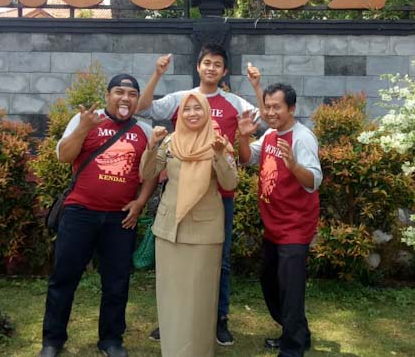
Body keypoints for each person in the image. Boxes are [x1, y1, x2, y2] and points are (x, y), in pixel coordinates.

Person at [137, 43, 262, 345]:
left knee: (218, 263)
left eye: (217, 64)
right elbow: (144, 108)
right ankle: (173, 321)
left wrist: (257, 87)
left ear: (224, 71)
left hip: (217, 194)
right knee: (174, 265)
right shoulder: (183, 98)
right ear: (198, 66)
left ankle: (216, 320)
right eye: (206, 63)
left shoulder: (233, 102)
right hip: (179, 189)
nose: (211, 68)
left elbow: (266, 118)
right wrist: (157, 74)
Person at [39, 74, 157, 357]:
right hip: (80, 212)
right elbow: (64, 156)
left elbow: (152, 171)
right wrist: (83, 128)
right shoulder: (86, 120)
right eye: (119, 92)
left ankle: (111, 340)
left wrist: (140, 202)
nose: (125, 98)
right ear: (107, 96)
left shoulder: (145, 130)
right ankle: (52, 340)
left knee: (117, 282)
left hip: (120, 218)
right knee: (64, 277)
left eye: (132, 94)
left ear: (137, 100)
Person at [139, 92, 239, 357]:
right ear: (180, 113)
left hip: (204, 233)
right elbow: (146, 173)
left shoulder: (219, 142)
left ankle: (199, 350)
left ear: (207, 112)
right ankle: (172, 349)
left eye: (198, 108)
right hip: (169, 229)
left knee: (200, 298)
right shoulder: (170, 142)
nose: (192, 113)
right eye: (187, 109)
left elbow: (230, 183)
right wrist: (151, 146)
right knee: (171, 294)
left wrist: (219, 154)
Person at [237, 82, 322, 357]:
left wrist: (294, 165)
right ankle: (296, 333)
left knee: (290, 289)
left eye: (277, 107)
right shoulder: (270, 134)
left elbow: (314, 180)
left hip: (295, 227)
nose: (271, 112)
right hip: (273, 225)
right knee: (270, 282)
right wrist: (243, 137)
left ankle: (292, 349)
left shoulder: (302, 138)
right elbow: (247, 159)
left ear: (292, 108)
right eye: (268, 106)